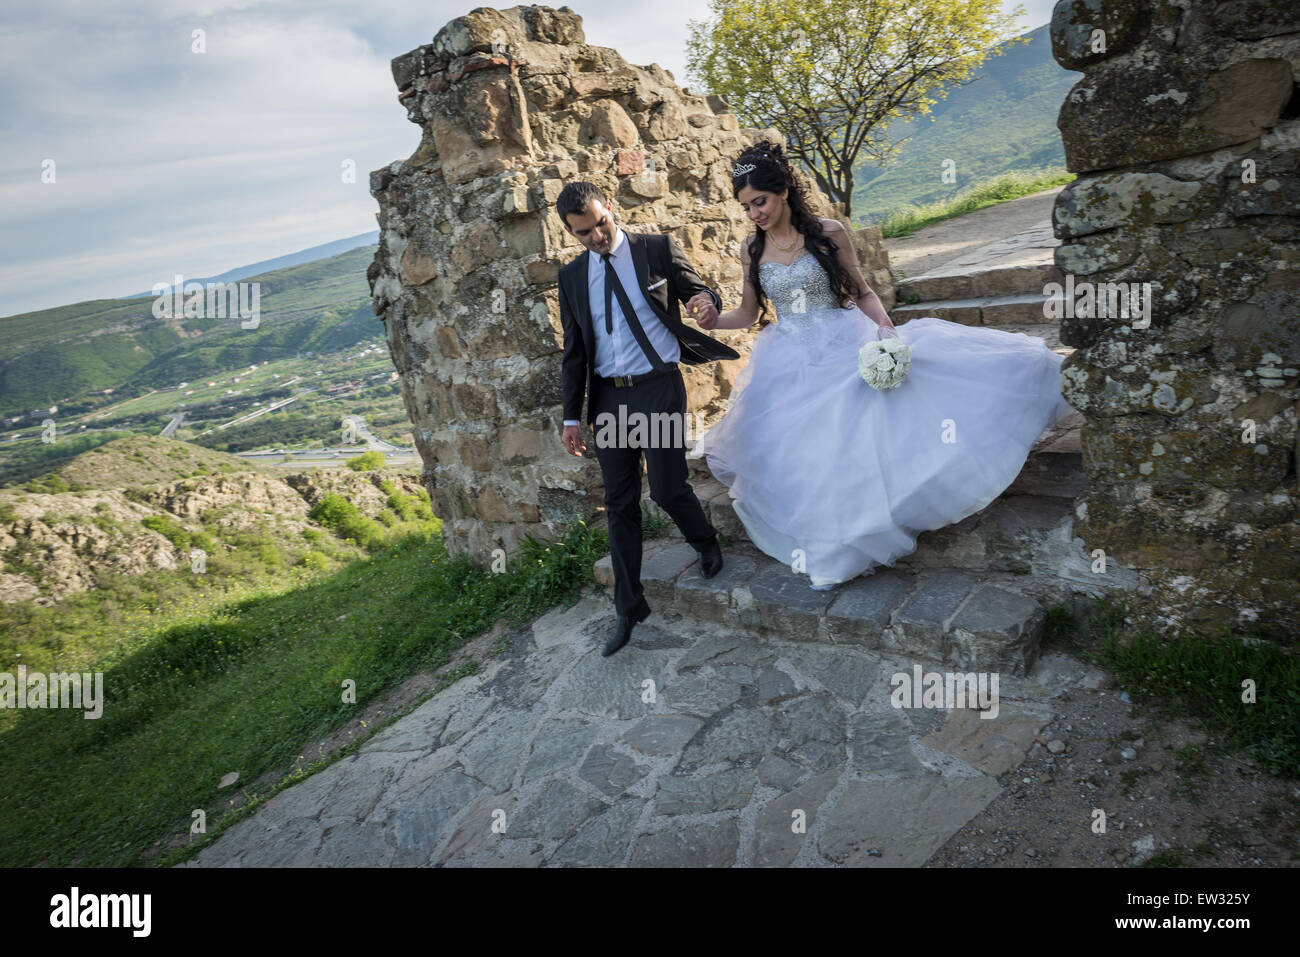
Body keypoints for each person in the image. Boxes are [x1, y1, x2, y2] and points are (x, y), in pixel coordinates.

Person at [689, 140, 1076, 590]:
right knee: (809, 451)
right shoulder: (751, 250)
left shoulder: (828, 233)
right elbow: (750, 313)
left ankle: (876, 517)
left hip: (842, 339)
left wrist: (885, 332)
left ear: (783, 193)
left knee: (875, 421)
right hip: (788, 358)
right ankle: (831, 538)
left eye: (760, 201)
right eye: (746, 207)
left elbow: (863, 292)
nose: (755, 213)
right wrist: (715, 322)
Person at [556, 181, 741, 656]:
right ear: (571, 233)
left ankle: (704, 541)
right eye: (584, 232)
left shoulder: (654, 249)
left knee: (664, 488)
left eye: (601, 223)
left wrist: (704, 301)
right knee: (619, 504)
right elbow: (574, 353)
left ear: (610, 208)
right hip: (609, 400)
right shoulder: (573, 277)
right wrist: (570, 417)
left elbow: (696, 285)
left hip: (657, 388)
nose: (598, 236)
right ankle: (628, 605)